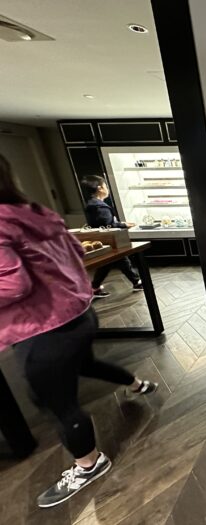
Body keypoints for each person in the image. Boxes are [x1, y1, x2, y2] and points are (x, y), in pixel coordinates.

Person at [0, 154, 158, 508]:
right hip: (79, 315)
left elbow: (12, 285)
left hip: (41, 327)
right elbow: (75, 251)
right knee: (84, 364)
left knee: (57, 403)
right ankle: (137, 384)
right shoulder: (36, 213)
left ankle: (89, 463)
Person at [80, 175, 142, 298]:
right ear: (100, 188)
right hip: (109, 239)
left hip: (103, 239)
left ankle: (95, 287)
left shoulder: (92, 204)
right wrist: (123, 225)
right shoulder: (99, 206)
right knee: (119, 259)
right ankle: (136, 282)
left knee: (109, 263)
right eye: (105, 186)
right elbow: (108, 225)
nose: (107, 189)